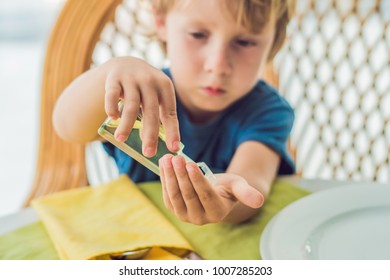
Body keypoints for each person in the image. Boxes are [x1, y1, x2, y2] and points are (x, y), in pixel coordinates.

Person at [53, 0, 296, 225]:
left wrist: (227, 203)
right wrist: (111, 71)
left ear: (275, 41)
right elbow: (67, 125)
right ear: (161, 23)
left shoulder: (268, 111)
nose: (218, 65)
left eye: (245, 42)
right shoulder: (137, 96)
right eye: (198, 35)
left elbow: (252, 184)